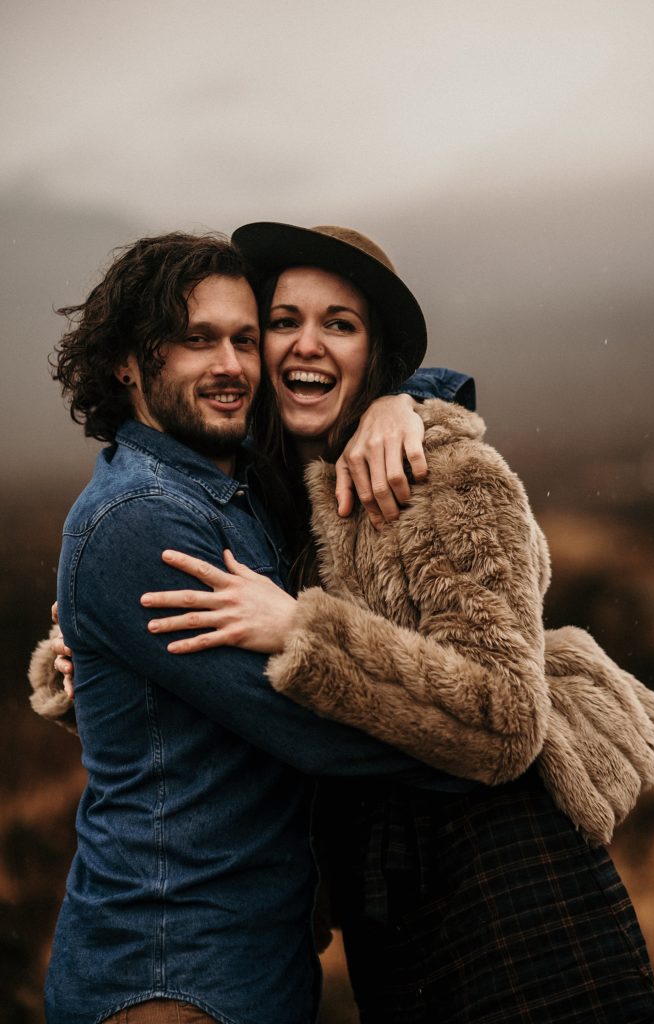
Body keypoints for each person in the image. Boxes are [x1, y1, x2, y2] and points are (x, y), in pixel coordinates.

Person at [130, 222, 654, 1022]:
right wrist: (107, 658)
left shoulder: (441, 474)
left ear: (372, 352)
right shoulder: (276, 497)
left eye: (339, 324)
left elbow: (505, 717)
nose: (306, 345)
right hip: (390, 923)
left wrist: (306, 632)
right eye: (284, 321)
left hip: (515, 898)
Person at [29, 230, 486, 1024]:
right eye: (196, 340)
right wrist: (477, 745)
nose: (233, 366)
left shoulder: (228, 481)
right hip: (169, 968)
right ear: (127, 362)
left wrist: (398, 403)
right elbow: (321, 732)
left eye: (245, 339)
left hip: (253, 961)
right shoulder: (145, 518)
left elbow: (348, 385)